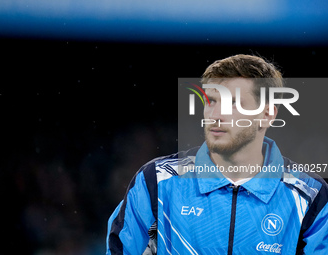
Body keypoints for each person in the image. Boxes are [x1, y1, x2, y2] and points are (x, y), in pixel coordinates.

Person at [106, 54, 328, 254]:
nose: (216, 115)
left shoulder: (311, 196)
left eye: (234, 103)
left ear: (268, 115)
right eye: (211, 101)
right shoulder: (156, 180)